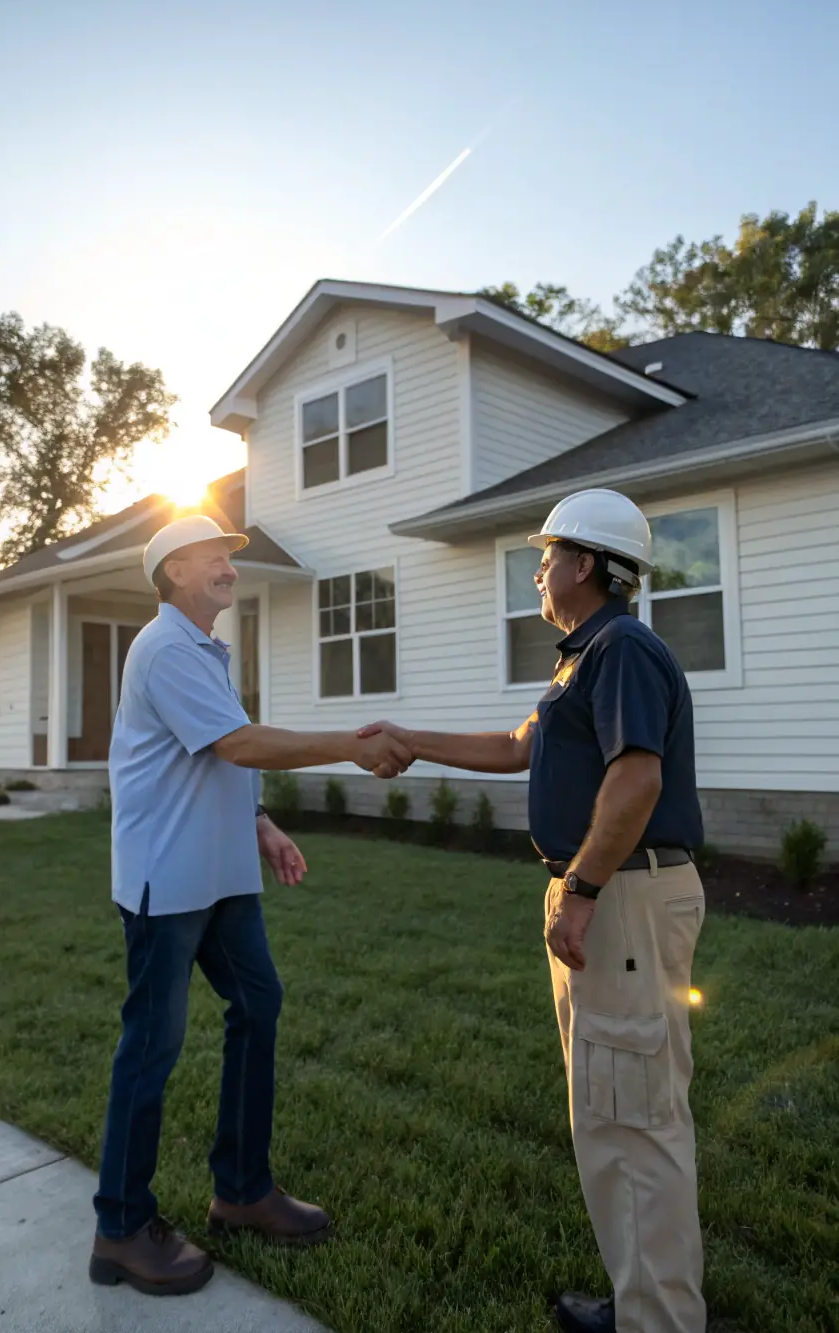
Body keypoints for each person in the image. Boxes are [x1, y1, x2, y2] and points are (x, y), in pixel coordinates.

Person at [359, 489, 706, 1333]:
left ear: (585, 563)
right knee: (614, 1114)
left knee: (634, 1119)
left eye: (547, 556)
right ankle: (640, 1305)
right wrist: (411, 737)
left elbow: (638, 778)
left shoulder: (620, 647)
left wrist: (582, 891)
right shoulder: (583, 655)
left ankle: (659, 1323)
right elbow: (518, 746)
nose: (540, 570)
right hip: (611, 896)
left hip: (621, 896)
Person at [89, 513, 412, 1298]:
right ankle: (121, 1227)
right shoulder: (165, 648)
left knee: (258, 1002)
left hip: (223, 874)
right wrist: (349, 743)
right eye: (213, 558)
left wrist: (261, 822)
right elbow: (238, 744)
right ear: (173, 574)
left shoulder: (205, 649)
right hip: (168, 882)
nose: (230, 568)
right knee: (153, 1045)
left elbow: (221, 755)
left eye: (230, 558)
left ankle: (240, 1188)